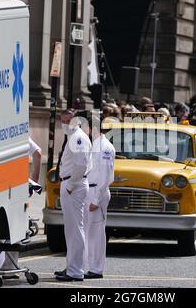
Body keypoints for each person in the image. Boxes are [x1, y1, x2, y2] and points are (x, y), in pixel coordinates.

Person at [0, 136, 42, 279]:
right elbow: (38, 153)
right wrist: (34, 180)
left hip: (0, 184)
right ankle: (11, 266)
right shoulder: (19, 134)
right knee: (13, 226)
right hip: (18, 184)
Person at [55, 109, 92, 282]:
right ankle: (73, 266)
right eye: (62, 120)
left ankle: (75, 270)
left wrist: (69, 186)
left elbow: (81, 166)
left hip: (74, 185)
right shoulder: (73, 137)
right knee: (72, 230)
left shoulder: (77, 138)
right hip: (73, 184)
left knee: (75, 229)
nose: (65, 123)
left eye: (68, 120)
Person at [83, 116, 116, 279]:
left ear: (93, 128)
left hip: (97, 192)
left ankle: (96, 269)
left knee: (96, 234)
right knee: (88, 233)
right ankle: (84, 266)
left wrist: (96, 200)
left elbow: (106, 176)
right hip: (89, 191)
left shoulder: (105, 147)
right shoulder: (94, 145)